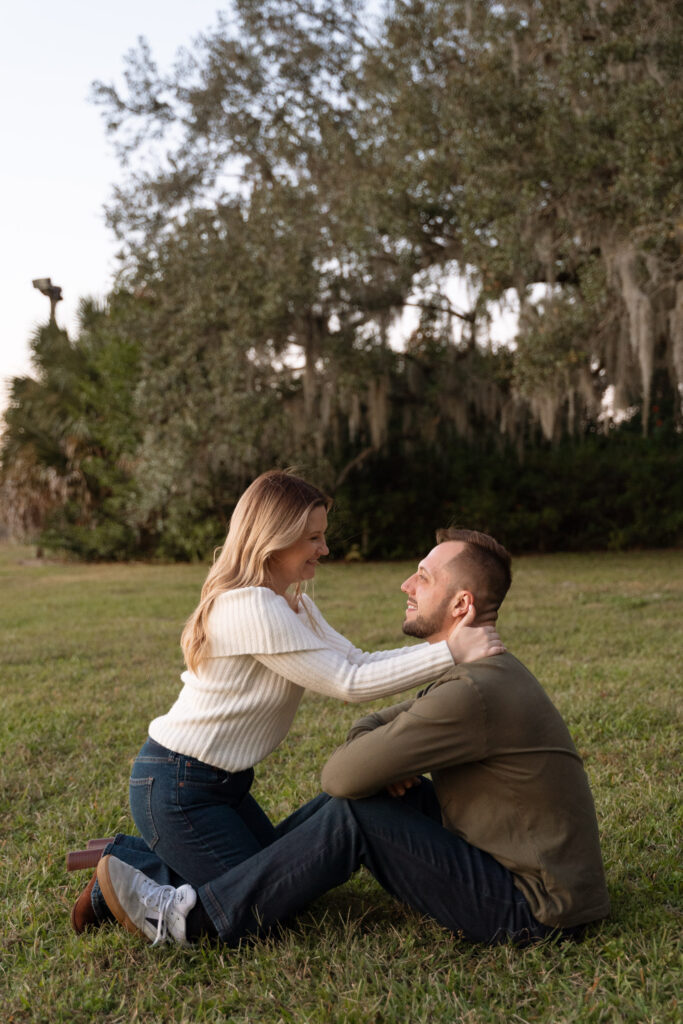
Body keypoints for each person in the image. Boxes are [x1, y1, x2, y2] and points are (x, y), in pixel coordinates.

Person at [95, 528, 610, 947]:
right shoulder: (484, 677)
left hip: (538, 912)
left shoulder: (470, 693)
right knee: (353, 807)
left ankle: (193, 922)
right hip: (528, 880)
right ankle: (136, 866)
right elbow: (368, 722)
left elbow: (341, 775)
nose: (406, 584)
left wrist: (377, 764)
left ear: (461, 605)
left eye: (424, 578)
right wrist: (384, 760)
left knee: (356, 809)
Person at [72, 474, 502, 933]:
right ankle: (123, 871)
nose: (325, 549)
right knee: (262, 909)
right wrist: (453, 651)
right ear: (274, 541)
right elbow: (348, 681)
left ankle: (127, 856)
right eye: (313, 538)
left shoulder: (293, 605)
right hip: (178, 788)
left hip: (223, 787)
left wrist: (449, 649)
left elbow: (357, 659)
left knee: (273, 878)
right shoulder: (251, 607)